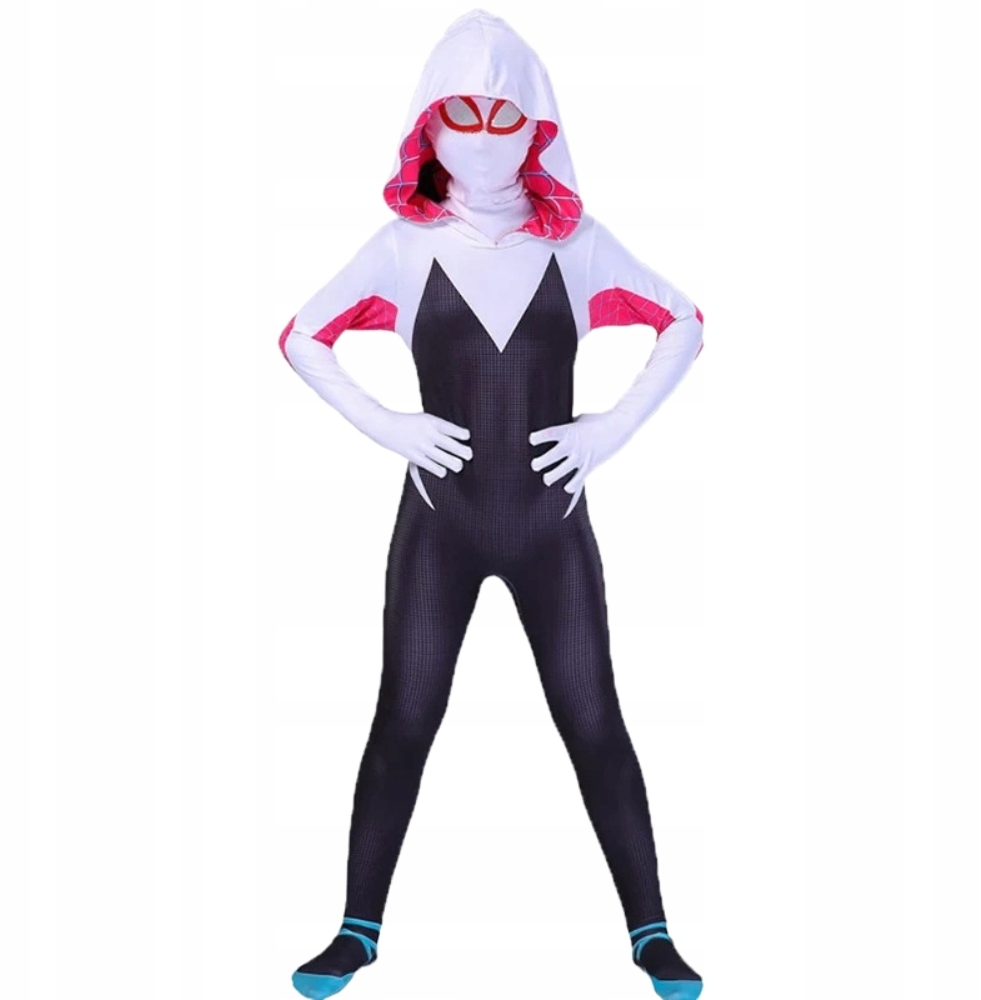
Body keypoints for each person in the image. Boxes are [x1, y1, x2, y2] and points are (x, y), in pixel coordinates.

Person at [278, 10, 705, 1000]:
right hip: (440, 525)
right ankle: (355, 931)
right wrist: (388, 425)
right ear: (425, 124)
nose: (479, 136)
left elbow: (684, 320)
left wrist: (609, 429)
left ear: (538, 124)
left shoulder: (580, 246)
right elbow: (301, 336)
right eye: (459, 114)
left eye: (502, 114)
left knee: (593, 715)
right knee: (405, 712)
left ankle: (652, 933)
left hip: (552, 527)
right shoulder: (403, 247)